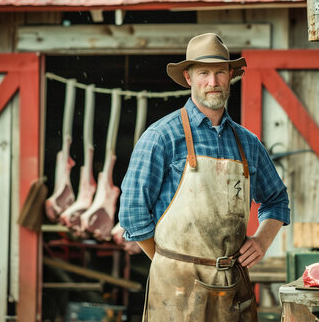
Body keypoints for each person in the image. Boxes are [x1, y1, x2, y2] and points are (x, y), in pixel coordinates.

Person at [119, 33, 290, 321]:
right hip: (176, 291)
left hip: (232, 287)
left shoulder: (247, 143)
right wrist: (169, 261)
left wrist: (261, 240)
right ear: (188, 78)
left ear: (231, 75)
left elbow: (276, 200)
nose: (213, 82)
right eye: (203, 73)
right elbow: (132, 214)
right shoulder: (162, 137)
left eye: (220, 72)